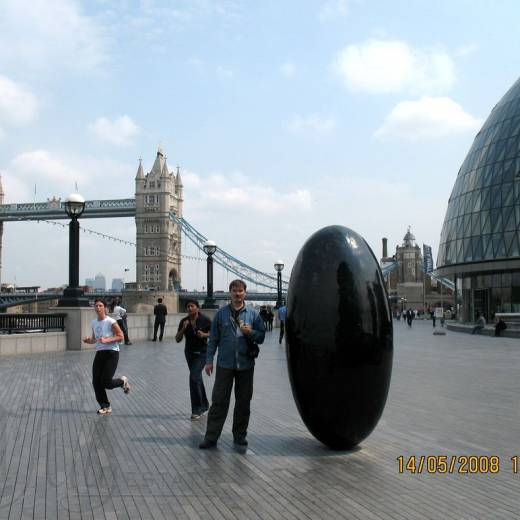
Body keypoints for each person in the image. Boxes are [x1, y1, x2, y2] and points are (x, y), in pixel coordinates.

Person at [199, 279, 265, 449]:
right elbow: (213, 339)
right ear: (230, 293)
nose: (237, 293)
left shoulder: (253, 314)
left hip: (246, 365)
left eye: (240, 290)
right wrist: (209, 361)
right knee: (219, 401)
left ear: (245, 293)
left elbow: (262, 336)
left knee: (243, 402)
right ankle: (211, 437)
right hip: (225, 365)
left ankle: (240, 436)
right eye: (234, 290)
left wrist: (251, 332)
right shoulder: (221, 314)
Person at [83, 298, 131, 414]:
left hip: (112, 353)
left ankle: (122, 381)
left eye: (100, 306)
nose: (98, 308)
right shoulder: (94, 322)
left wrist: (108, 340)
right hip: (100, 353)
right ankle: (105, 406)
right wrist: (89, 340)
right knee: (96, 381)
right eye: (96, 306)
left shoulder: (111, 321)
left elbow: (120, 336)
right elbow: (96, 339)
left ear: (104, 308)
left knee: (106, 382)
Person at [175, 299, 211, 419]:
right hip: (189, 353)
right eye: (188, 307)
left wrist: (205, 335)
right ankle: (205, 405)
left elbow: (215, 333)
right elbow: (177, 339)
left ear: (197, 307)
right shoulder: (184, 321)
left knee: (194, 377)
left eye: (192, 306)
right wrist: (183, 329)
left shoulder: (205, 320)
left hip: (202, 352)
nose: (190, 308)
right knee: (197, 379)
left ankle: (197, 409)